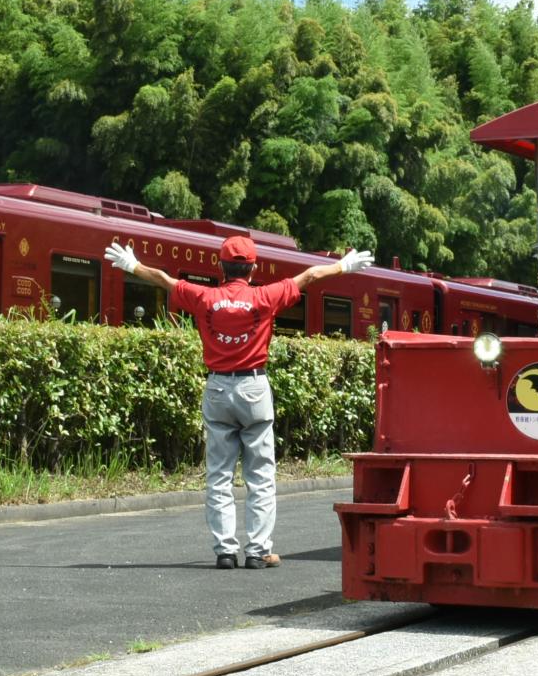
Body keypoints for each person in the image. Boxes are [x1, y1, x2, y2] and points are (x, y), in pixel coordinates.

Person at [104, 234, 372, 571]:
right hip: (254, 387)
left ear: (221, 266)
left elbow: (165, 280)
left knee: (219, 474)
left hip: (217, 387)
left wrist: (132, 265)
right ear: (253, 267)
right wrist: (344, 265)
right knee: (260, 474)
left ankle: (225, 551)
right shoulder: (265, 296)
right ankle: (258, 551)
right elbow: (310, 277)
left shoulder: (204, 296)